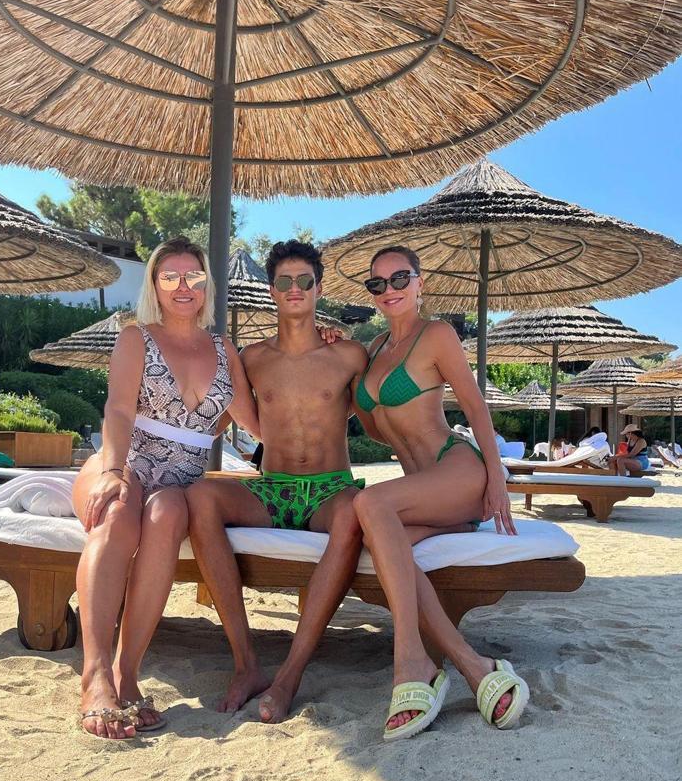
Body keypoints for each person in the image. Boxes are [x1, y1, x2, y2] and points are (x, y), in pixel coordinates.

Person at [72, 237, 259, 740]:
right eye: (170, 276)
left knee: (167, 515)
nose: (183, 286)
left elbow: (257, 423)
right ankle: (95, 674)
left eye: (193, 276)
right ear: (155, 284)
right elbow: (118, 409)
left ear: (206, 284)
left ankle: (126, 673)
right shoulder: (137, 337)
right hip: (125, 460)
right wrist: (113, 470)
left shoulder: (224, 350)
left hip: (179, 483)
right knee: (118, 510)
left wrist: (313, 357)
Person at [186, 240, 369, 724]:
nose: (295, 288)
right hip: (273, 487)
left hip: (330, 489)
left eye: (304, 280)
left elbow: (382, 415)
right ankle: (246, 662)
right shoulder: (252, 358)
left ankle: (289, 675)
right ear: (271, 290)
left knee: (354, 513)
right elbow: (222, 417)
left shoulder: (349, 354)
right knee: (201, 495)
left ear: (319, 288)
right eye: (284, 281)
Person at [352, 245, 529, 740]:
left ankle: (410, 659)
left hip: (459, 471)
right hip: (424, 493)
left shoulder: (437, 335)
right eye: (378, 283)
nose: (389, 290)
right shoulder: (372, 351)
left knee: (369, 502)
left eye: (400, 278)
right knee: (383, 544)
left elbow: (475, 406)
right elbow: (376, 429)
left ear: (420, 282)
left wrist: (497, 478)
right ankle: (474, 665)